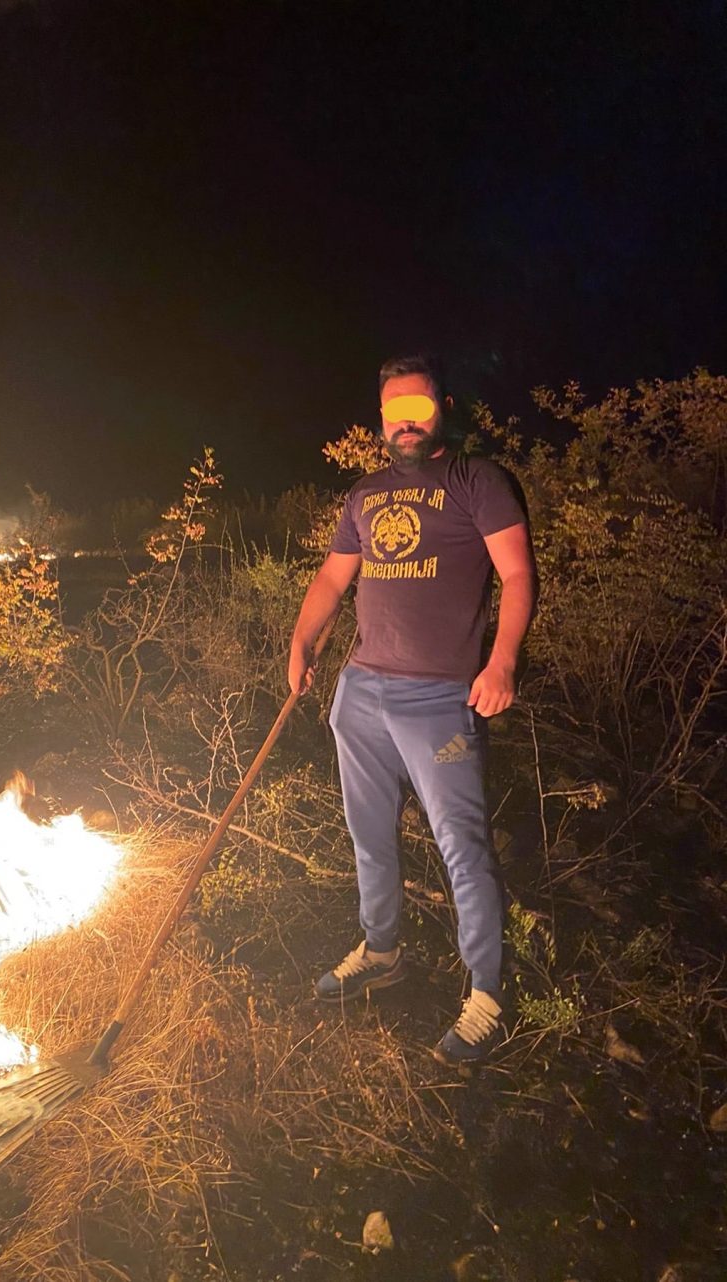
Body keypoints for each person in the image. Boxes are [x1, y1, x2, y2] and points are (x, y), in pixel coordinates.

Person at [288, 353, 537, 1062]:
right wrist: (302, 642)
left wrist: (503, 660)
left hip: (438, 698)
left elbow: (517, 574)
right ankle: (382, 949)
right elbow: (333, 580)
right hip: (361, 690)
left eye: (418, 409)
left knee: (462, 845)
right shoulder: (364, 495)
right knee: (370, 834)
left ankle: (487, 991)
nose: (405, 422)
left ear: (442, 411)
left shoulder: (477, 482)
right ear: (381, 421)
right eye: (394, 411)